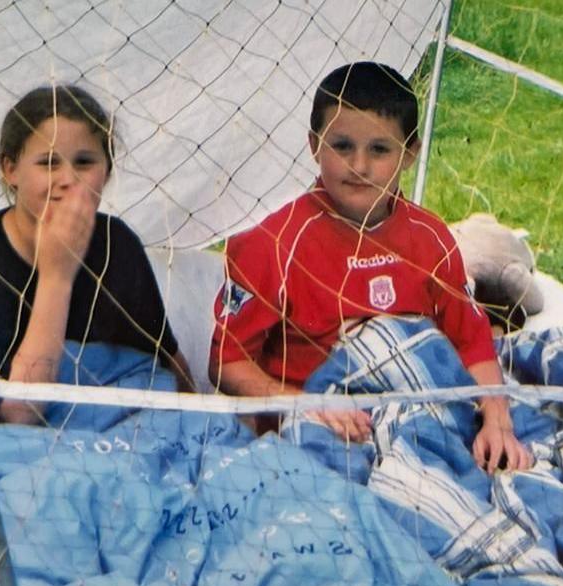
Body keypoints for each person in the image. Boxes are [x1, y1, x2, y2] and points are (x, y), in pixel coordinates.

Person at [209, 62, 532, 474]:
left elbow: (471, 343)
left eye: (379, 150)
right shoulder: (269, 244)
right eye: (341, 146)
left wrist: (497, 421)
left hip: (422, 420)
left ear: (410, 153)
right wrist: (307, 403)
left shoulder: (430, 237)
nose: (358, 166)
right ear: (313, 145)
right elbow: (225, 363)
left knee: (513, 464)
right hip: (322, 432)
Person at [0, 85, 192, 425]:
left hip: (104, 430)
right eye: (48, 163)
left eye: (84, 162)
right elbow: (16, 415)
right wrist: (57, 275)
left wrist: (200, 428)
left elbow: (166, 362)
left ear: (108, 170)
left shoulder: (118, 245)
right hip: (3, 438)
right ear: (10, 169)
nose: (68, 180)